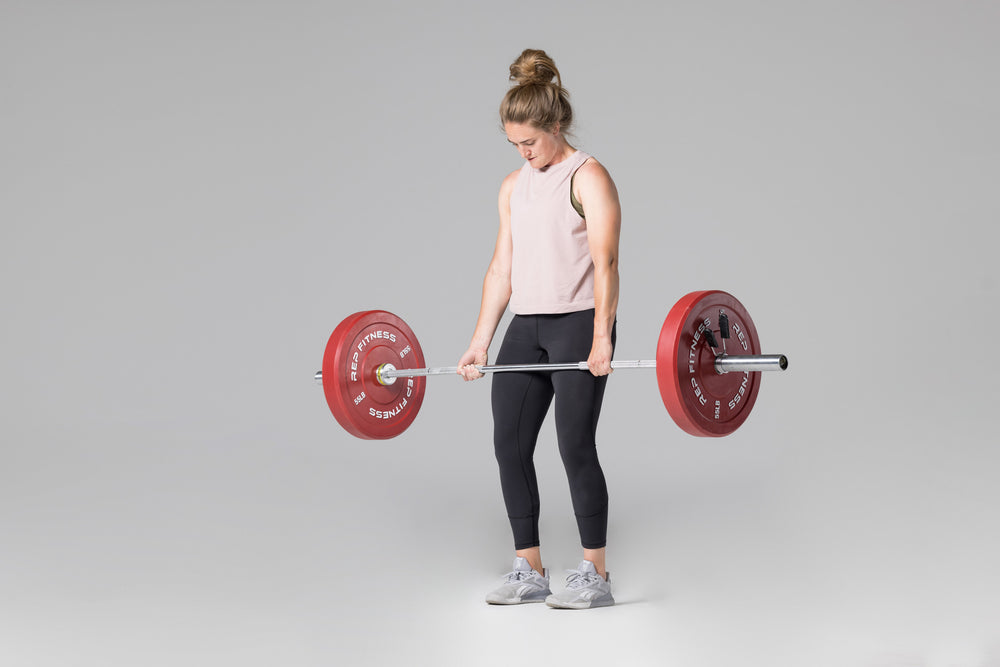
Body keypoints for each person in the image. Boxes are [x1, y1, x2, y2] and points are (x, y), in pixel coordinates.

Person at [457, 49, 622, 610]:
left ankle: (594, 573)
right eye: (514, 146)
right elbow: (501, 268)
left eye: (530, 142)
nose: (524, 153)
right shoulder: (512, 186)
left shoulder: (589, 176)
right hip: (526, 326)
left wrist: (602, 337)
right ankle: (529, 567)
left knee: (574, 445)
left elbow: (606, 264)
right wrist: (480, 341)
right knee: (509, 444)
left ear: (555, 124)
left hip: (578, 324)